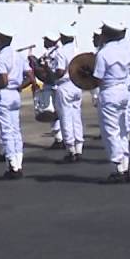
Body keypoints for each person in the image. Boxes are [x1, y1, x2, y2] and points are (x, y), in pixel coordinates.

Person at [94, 22, 130, 183]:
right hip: (123, 91)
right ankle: (125, 167)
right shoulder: (124, 51)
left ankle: (117, 169)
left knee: (111, 132)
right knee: (123, 130)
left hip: (109, 92)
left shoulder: (103, 53)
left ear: (105, 35)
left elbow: (98, 78)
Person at [0, 28, 33, 179]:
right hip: (15, 94)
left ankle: (12, 166)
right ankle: (18, 163)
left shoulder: (0, 58)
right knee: (16, 130)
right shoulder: (19, 56)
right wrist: (19, 87)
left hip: (4, 95)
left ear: (1, 39)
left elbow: (3, 80)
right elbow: (30, 76)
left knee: (6, 131)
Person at [50, 28, 84, 162]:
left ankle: (71, 149)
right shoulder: (78, 50)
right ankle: (79, 147)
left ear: (63, 37)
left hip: (64, 85)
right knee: (76, 116)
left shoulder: (61, 52)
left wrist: (49, 73)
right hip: (77, 84)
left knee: (65, 117)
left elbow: (59, 71)